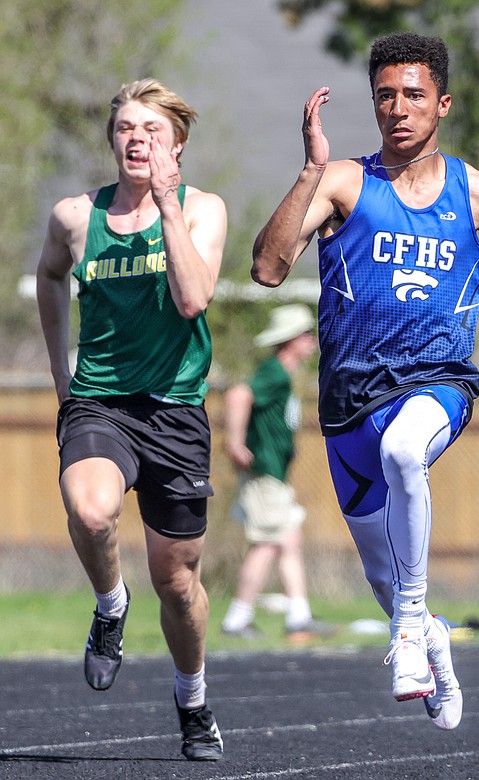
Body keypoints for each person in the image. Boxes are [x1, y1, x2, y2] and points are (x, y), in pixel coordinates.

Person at [250, 32, 479, 732]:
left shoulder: (477, 191)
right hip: (346, 406)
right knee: (382, 582)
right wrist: (308, 171)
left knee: (404, 453)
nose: (398, 108)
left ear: (443, 104)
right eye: (385, 96)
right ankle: (430, 634)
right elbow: (268, 269)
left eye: (414, 95)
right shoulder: (343, 182)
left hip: (438, 382)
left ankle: (409, 630)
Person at [35, 79, 227, 760]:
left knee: (177, 584)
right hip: (101, 402)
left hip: (175, 412)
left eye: (151, 129)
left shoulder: (203, 210)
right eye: (125, 128)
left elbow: (192, 299)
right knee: (89, 514)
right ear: (112, 140)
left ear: (176, 144)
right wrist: (64, 377)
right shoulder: (75, 217)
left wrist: (169, 208)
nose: (136, 139)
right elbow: (50, 277)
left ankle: (193, 701)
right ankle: (110, 606)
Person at [221, 303, 337, 642]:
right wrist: (236, 442)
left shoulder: (286, 375)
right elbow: (238, 395)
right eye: (306, 334)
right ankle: (237, 619)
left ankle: (298, 616)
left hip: (276, 473)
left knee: (288, 540)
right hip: (264, 470)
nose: (311, 340)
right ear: (291, 340)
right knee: (268, 543)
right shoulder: (273, 372)